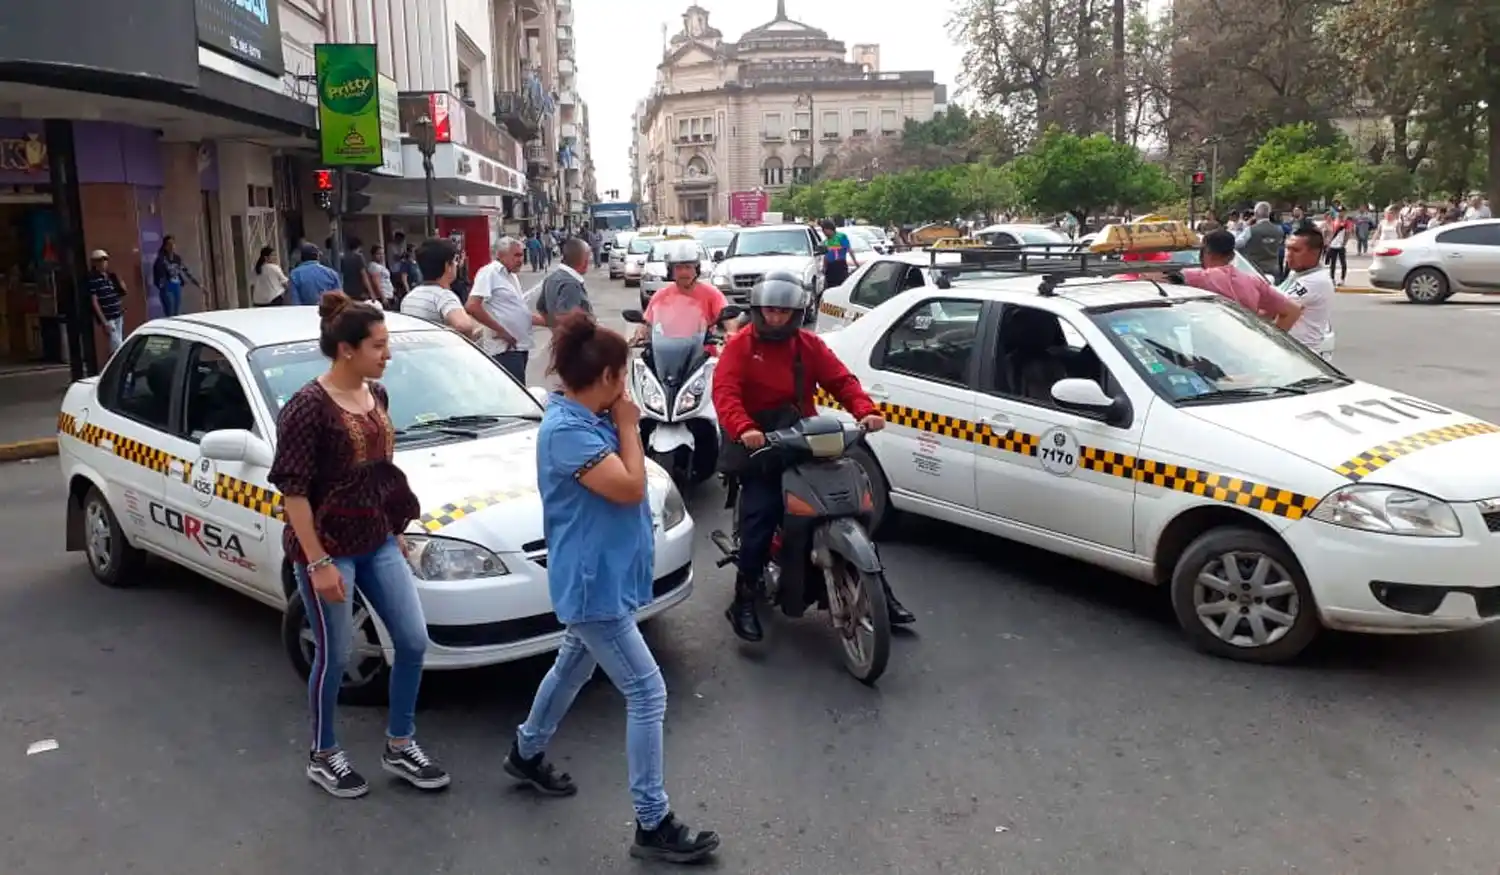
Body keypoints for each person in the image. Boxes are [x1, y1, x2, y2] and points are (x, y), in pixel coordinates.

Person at [504, 313, 721, 864]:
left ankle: (526, 752)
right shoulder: (568, 431)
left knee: (572, 665)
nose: (625, 389)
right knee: (648, 693)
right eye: (621, 378)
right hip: (591, 585)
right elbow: (628, 486)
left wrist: (621, 423)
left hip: (605, 578)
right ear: (603, 377)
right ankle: (652, 821)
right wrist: (629, 424)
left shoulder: (588, 416)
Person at [267, 291, 449, 799]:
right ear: (346, 349)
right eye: (378, 346)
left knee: (412, 641)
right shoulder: (306, 408)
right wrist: (318, 562)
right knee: (336, 653)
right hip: (328, 549)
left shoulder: (377, 396)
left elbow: (381, 472)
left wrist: (395, 528)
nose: (387, 355)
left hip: (377, 541)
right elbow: (294, 493)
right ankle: (324, 754)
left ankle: (400, 742)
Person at [710, 271, 914, 642]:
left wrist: (863, 410)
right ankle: (743, 599)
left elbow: (841, 380)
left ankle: (877, 588)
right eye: (769, 311)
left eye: (783, 313)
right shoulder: (740, 346)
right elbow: (725, 394)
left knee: (850, 502)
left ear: (796, 313)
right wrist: (744, 429)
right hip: (759, 443)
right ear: (758, 310)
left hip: (803, 437)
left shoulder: (808, 345)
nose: (775, 318)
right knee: (761, 514)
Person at [1154, 230, 1302, 330]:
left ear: (1206, 253)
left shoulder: (1199, 277)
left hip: (1211, 355)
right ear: (1232, 256)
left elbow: (1161, 280)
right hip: (1247, 353)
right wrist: (1271, 341)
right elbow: (1293, 311)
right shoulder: (1253, 281)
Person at [467, 236, 544, 381]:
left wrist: (552, 322)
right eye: (516, 255)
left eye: (522, 255)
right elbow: (472, 306)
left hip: (520, 347)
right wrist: (501, 331)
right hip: (504, 350)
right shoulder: (489, 272)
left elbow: (519, 312)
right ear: (501, 255)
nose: (520, 260)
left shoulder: (512, 277)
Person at [632, 239, 727, 343]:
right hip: (667, 348)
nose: (683, 272)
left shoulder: (712, 293)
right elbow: (647, 321)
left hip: (704, 348)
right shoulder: (661, 295)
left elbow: (727, 316)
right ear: (671, 271)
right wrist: (640, 333)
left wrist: (731, 332)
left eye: (688, 267)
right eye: (678, 268)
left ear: (696, 270)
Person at [399, 237, 482, 337]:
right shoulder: (443, 296)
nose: (456, 265)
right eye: (455, 260)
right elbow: (464, 326)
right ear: (447, 266)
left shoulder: (409, 297)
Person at [1279, 225, 1336, 360]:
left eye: (1296, 250)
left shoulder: (1314, 281)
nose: (1289, 254)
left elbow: (1278, 309)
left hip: (1299, 356)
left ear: (1314, 253)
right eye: (1288, 248)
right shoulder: (1297, 273)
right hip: (1288, 353)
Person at [537, 237, 594, 328]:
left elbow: (541, 308)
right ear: (584, 260)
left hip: (561, 339)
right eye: (589, 256)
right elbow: (567, 319)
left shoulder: (551, 278)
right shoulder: (571, 284)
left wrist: (554, 329)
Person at [86, 249, 128, 353]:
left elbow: (122, 292)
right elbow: (94, 301)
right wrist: (104, 321)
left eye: (105, 260)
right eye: (100, 260)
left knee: (116, 344)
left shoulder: (110, 276)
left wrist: (120, 281)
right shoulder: (93, 279)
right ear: (94, 263)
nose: (103, 263)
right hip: (108, 316)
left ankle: (114, 364)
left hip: (118, 313)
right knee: (118, 344)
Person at [152, 235, 200, 317]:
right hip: (167, 287)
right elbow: (157, 275)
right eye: (169, 244)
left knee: (176, 312)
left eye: (173, 244)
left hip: (176, 286)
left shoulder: (177, 258)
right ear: (165, 246)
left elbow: (186, 271)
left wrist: (198, 284)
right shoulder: (161, 259)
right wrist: (162, 285)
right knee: (170, 313)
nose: (171, 246)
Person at [1233, 202, 1284, 278]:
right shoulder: (1279, 229)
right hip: (1273, 270)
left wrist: (1238, 230)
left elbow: (1236, 245)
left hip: (1255, 270)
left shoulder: (1250, 230)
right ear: (1269, 213)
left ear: (1255, 213)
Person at [819, 219, 858, 290]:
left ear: (829, 229)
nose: (824, 233)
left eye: (824, 230)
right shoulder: (825, 242)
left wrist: (856, 263)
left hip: (840, 265)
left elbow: (849, 250)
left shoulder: (841, 237)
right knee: (830, 288)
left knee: (841, 286)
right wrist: (824, 267)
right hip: (830, 268)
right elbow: (826, 256)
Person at [340, 237, 378, 303]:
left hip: (346, 290)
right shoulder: (359, 257)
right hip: (358, 291)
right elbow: (364, 276)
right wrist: (371, 292)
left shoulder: (343, 258)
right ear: (359, 247)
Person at [1323, 211, 1353, 286]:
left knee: (1343, 263)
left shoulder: (1346, 222)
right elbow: (1330, 233)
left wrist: (1344, 243)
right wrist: (1328, 243)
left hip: (1341, 246)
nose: (1340, 214)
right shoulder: (1334, 221)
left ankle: (1342, 280)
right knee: (1332, 263)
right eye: (1339, 212)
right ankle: (1332, 279)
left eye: (1342, 212)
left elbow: (1348, 233)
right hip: (1333, 245)